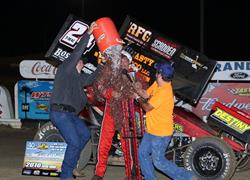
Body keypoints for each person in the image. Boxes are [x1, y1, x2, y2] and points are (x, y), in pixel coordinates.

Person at [49, 22, 101, 180]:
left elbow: (92, 77)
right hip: (59, 112)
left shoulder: (79, 78)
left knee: (84, 135)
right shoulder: (66, 69)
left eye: (82, 62)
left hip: (71, 115)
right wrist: (89, 34)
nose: (82, 62)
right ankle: (65, 176)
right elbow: (76, 53)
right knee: (73, 142)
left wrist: (103, 63)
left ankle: (71, 166)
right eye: (80, 61)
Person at [134, 62, 196, 180]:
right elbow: (146, 95)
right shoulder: (158, 84)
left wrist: (137, 97)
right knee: (142, 153)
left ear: (159, 75)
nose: (155, 73)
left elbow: (147, 107)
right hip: (152, 130)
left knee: (159, 162)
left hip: (161, 133)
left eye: (157, 72)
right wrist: (138, 89)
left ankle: (187, 177)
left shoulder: (165, 91)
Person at [91, 49, 134, 180]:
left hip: (125, 113)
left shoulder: (133, 74)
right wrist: (110, 93)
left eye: (125, 61)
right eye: (121, 61)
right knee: (104, 144)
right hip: (110, 112)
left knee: (127, 145)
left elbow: (139, 91)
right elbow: (99, 87)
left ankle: (130, 173)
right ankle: (99, 174)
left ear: (129, 63)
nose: (123, 63)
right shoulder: (110, 72)